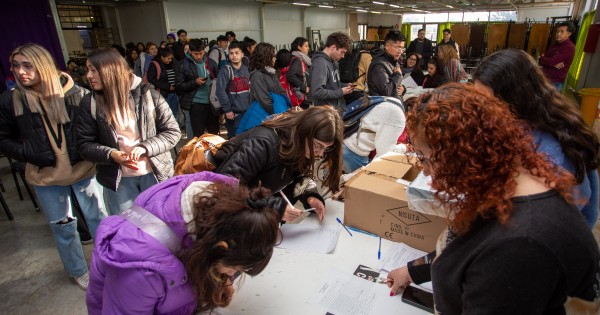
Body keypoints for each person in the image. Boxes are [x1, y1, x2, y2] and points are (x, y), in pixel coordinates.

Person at [387, 83, 600, 314]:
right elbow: (464, 244)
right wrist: (412, 271)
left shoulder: (517, 248)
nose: (425, 171)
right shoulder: (509, 182)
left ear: (461, 157)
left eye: (426, 158)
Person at [86, 172, 281, 314]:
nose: (232, 274)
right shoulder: (143, 272)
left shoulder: (212, 212)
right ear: (221, 247)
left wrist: (221, 281)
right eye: (233, 269)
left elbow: (203, 255)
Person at [0, 44, 107, 290]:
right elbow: (3, 137)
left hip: (83, 170)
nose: (21, 71)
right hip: (46, 178)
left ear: (44, 65)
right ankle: (78, 270)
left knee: (99, 220)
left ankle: (107, 264)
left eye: (28, 65)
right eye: (16, 66)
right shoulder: (11, 99)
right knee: (64, 227)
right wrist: (27, 154)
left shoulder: (76, 93)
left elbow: (93, 129)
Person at [473, 49, 599, 228]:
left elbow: (544, 223)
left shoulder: (554, 150)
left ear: (515, 98)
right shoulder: (531, 121)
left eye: (488, 102)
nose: (481, 110)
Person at [77, 48, 180, 215]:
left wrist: (145, 147)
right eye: (88, 70)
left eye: (93, 70)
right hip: (118, 181)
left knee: (161, 225)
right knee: (127, 229)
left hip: (155, 175)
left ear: (110, 70)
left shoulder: (149, 95)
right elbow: (84, 144)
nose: (88, 76)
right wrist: (111, 154)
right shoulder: (90, 102)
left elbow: (172, 132)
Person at [213, 106, 344, 223]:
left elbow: (295, 177)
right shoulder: (263, 143)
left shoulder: (301, 146)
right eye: (317, 145)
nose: (320, 153)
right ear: (305, 131)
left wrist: (309, 196)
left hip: (257, 222)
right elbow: (224, 187)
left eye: (326, 149)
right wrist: (273, 206)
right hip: (227, 221)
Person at [342, 97, 407, 173]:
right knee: (356, 182)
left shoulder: (392, 102)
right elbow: (384, 153)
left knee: (334, 180)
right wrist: (404, 147)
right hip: (354, 151)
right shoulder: (398, 117)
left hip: (346, 140)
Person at [175, 39, 219, 138]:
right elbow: (179, 85)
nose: (199, 56)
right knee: (198, 135)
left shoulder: (211, 63)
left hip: (212, 104)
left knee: (214, 134)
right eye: (196, 54)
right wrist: (194, 82)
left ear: (204, 50)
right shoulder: (183, 65)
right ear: (190, 51)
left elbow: (219, 80)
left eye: (201, 53)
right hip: (195, 104)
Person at [311, 32, 353, 111]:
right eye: (342, 52)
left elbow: (331, 84)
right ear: (333, 47)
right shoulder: (320, 63)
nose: (343, 56)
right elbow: (318, 92)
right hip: (327, 114)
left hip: (337, 110)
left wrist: (344, 85)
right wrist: (341, 92)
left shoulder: (334, 62)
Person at [216, 42, 251, 138]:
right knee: (234, 141)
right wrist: (227, 110)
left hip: (247, 112)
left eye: (236, 53)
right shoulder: (225, 70)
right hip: (233, 114)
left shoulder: (248, 70)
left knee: (247, 139)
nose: (234, 56)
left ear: (242, 54)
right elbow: (220, 91)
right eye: (231, 53)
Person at [367, 30, 407, 99]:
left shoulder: (394, 61)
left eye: (402, 48)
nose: (400, 51)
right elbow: (386, 91)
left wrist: (402, 89)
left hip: (392, 104)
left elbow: (393, 85)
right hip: (384, 106)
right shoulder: (379, 65)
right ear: (387, 46)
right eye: (398, 47)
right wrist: (398, 75)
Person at [249, 42, 286, 115]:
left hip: (276, 114)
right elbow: (265, 101)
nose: (275, 59)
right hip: (264, 117)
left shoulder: (271, 73)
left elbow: (281, 92)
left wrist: (285, 105)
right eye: (273, 56)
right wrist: (279, 112)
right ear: (265, 57)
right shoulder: (257, 76)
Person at [539, 22, 576, 91]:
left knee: (550, 101)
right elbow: (542, 61)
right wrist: (550, 63)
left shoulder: (569, 47)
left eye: (562, 32)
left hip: (554, 82)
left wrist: (542, 58)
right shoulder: (555, 44)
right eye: (558, 31)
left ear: (569, 34)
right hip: (545, 77)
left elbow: (549, 61)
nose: (558, 34)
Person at [147, 47, 180, 121]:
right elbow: (152, 79)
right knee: (165, 115)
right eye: (168, 58)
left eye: (171, 58)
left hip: (175, 93)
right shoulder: (154, 64)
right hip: (163, 94)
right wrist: (167, 87)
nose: (170, 60)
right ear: (162, 57)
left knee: (175, 113)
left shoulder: (173, 63)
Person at [287, 37, 312, 109]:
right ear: (299, 47)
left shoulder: (302, 59)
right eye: (306, 46)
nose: (308, 48)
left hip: (302, 96)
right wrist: (304, 88)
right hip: (300, 96)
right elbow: (291, 75)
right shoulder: (297, 60)